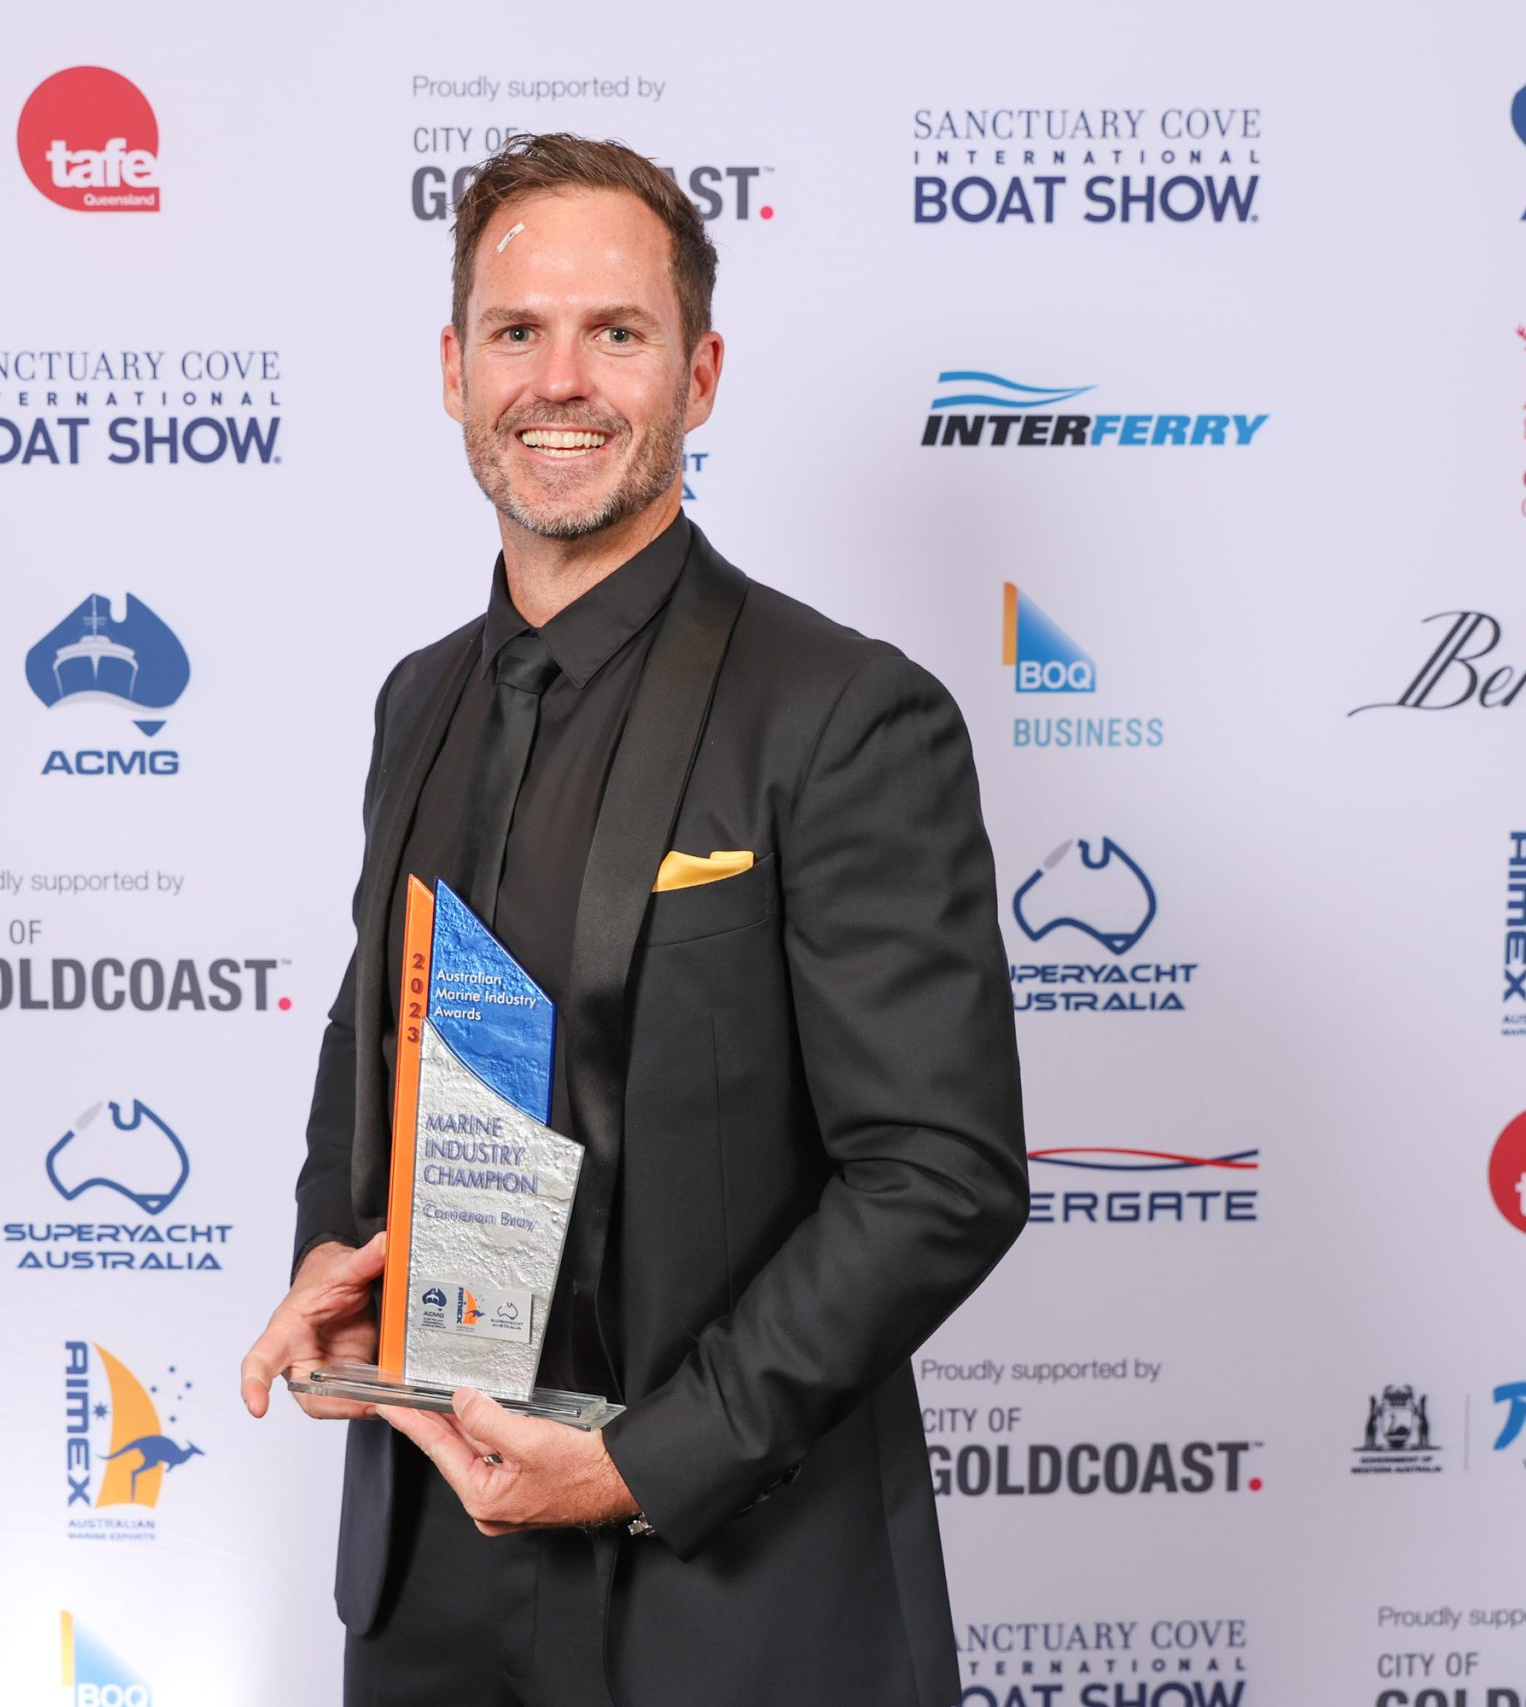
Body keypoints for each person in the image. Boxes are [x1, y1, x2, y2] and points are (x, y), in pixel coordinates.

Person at [239, 132, 1028, 1706]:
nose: (561, 381)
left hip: (727, 1593)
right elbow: (375, 1031)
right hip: (426, 1584)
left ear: (699, 373)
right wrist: (342, 1258)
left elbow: (939, 1174)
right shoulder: (417, 701)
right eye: (517, 332)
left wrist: (642, 1463)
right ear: (454, 371)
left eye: (617, 332)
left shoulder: (845, 716)